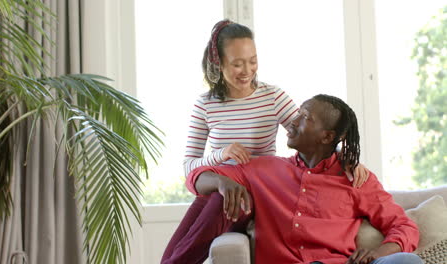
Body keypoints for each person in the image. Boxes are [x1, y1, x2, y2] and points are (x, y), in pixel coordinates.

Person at [161, 19, 368, 263]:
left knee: (189, 246)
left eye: (252, 61)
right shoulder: (205, 105)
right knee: (170, 254)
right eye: (237, 64)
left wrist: (344, 157)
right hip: (215, 188)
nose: (247, 70)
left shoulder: (272, 97)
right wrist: (221, 155)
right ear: (218, 63)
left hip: (252, 193)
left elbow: (309, 135)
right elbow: (189, 168)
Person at [185, 94, 423, 264]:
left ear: (326, 136)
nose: (293, 121)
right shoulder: (264, 169)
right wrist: (221, 182)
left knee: (407, 261)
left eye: (305, 117)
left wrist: (379, 254)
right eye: (297, 113)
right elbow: (195, 178)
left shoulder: (356, 179)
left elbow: (403, 226)